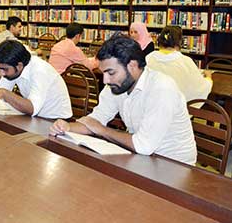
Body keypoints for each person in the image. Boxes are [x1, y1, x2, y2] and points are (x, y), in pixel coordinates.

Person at [50, 36, 197, 165]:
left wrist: (102, 131)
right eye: (104, 73)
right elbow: (95, 120)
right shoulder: (118, 84)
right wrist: (67, 127)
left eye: (111, 73)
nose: (106, 80)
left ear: (132, 66)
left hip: (174, 165)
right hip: (142, 158)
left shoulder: (161, 88)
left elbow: (143, 145)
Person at [0, 40, 72, 119]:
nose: (1, 73)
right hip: (37, 118)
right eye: (0, 68)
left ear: (19, 66)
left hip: (56, 121)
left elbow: (32, 108)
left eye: (4, 69)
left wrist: (4, 93)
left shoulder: (40, 71)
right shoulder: (13, 69)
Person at [146, 26, 212, 103]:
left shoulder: (149, 58)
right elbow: (199, 88)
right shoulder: (186, 61)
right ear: (179, 42)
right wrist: (208, 78)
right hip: (175, 108)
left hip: (152, 105)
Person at [0, 16, 23, 80]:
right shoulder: (9, 38)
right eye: (19, 26)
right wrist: (36, 52)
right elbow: (23, 50)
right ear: (12, 27)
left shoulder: (3, 34)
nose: (21, 29)